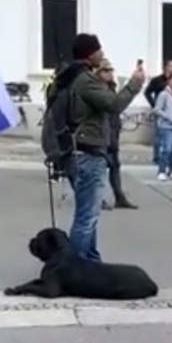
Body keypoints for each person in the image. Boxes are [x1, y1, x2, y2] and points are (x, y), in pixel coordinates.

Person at [68, 36, 145, 260]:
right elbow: (114, 105)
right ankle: (78, 265)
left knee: (89, 213)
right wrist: (135, 84)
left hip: (84, 150)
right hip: (88, 152)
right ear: (90, 53)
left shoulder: (77, 77)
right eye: (98, 49)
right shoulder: (85, 80)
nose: (102, 53)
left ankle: (89, 258)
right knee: (86, 215)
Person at [96, 59, 138, 211]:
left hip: (112, 133)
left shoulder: (110, 87)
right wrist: (133, 84)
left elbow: (115, 109)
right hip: (101, 134)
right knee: (99, 168)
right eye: (106, 71)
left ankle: (119, 196)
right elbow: (113, 106)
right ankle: (98, 199)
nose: (110, 73)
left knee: (115, 166)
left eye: (111, 70)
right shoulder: (97, 89)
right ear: (98, 73)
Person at [145, 59, 172, 165]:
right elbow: (147, 92)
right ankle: (157, 157)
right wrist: (154, 105)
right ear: (166, 67)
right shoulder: (157, 80)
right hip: (160, 110)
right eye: (171, 66)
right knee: (159, 135)